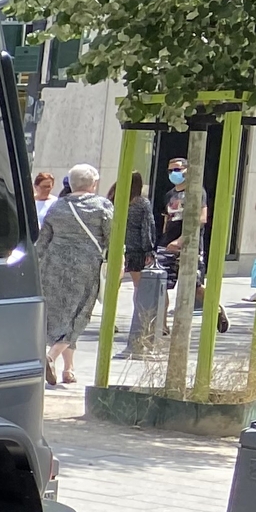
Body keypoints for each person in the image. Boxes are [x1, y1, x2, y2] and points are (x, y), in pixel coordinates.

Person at [34, 162, 111, 385]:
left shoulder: (57, 206)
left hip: (53, 267)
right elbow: (112, 237)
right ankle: (51, 356)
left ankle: (68, 369)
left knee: (60, 314)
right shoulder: (102, 206)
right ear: (93, 184)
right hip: (85, 268)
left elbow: (42, 241)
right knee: (79, 314)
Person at [121, 169, 160, 358]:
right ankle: (139, 319)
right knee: (139, 288)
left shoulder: (116, 199)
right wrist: (149, 249)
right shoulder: (142, 203)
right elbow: (147, 227)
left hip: (119, 249)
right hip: (136, 249)